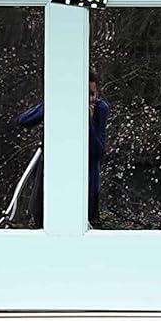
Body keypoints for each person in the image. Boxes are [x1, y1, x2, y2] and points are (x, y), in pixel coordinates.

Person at [17, 70, 110, 228]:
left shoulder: (101, 109)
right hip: (54, 174)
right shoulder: (60, 106)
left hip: (86, 178)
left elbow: (98, 151)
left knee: (88, 223)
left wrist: (87, 124)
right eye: (84, 94)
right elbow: (24, 120)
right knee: (41, 217)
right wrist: (54, 103)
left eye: (92, 94)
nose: (90, 99)